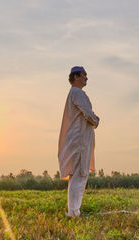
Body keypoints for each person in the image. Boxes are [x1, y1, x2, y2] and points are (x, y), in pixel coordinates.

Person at [58, 66, 99, 218]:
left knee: (78, 175)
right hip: (79, 140)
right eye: (84, 75)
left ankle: (74, 211)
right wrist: (96, 120)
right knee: (79, 175)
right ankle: (74, 212)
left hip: (79, 139)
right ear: (76, 77)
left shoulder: (74, 93)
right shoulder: (77, 92)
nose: (86, 78)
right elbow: (87, 113)